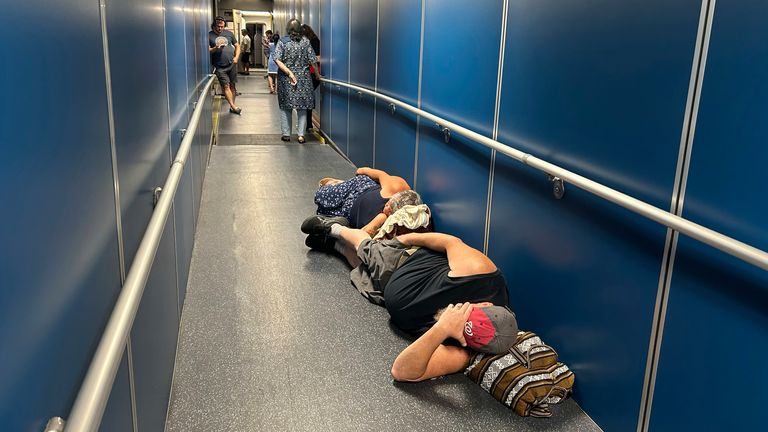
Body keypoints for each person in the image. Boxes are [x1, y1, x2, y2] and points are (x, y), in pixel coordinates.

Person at [300, 221, 517, 382]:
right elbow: (450, 242)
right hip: (405, 264)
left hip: (386, 294)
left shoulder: (463, 353)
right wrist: (409, 238)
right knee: (368, 249)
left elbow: (401, 372)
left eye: (464, 330)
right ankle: (335, 228)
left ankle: (334, 246)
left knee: (359, 266)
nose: (458, 317)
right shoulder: (479, 272)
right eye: (465, 314)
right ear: (485, 305)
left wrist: (443, 328)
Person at [305, 167, 414, 237]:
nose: (386, 207)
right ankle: (337, 184)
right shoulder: (396, 186)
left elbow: (365, 234)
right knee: (319, 195)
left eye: (390, 209)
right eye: (389, 203)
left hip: (348, 213)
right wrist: (362, 171)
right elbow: (380, 174)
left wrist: (381, 218)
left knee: (321, 212)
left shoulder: (397, 222)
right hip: (359, 189)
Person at [274, 19, 320, 143]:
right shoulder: (306, 42)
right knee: (303, 107)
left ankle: (286, 134)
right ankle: (301, 135)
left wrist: (289, 72)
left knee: (285, 106)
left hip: (286, 78)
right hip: (304, 78)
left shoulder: (282, 42)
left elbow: (277, 60)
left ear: (288, 29)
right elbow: (313, 60)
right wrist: (317, 75)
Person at [208, 17, 241, 115]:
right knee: (225, 86)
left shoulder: (229, 34)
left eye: (222, 26)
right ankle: (233, 106)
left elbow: (237, 46)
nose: (220, 28)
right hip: (219, 67)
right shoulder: (209, 35)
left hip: (231, 64)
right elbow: (208, 50)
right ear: (214, 26)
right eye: (218, 26)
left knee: (233, 86)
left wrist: (236, 57)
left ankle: (232, 105)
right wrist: (215, 48)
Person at [301, 24, 321, 131]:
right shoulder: (310, 41)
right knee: (307, 97)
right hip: (309, 73)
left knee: (307, 98)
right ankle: (308, 124)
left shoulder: (313, 42)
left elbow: (316, 58)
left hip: (312, 73)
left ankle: (308, 124)